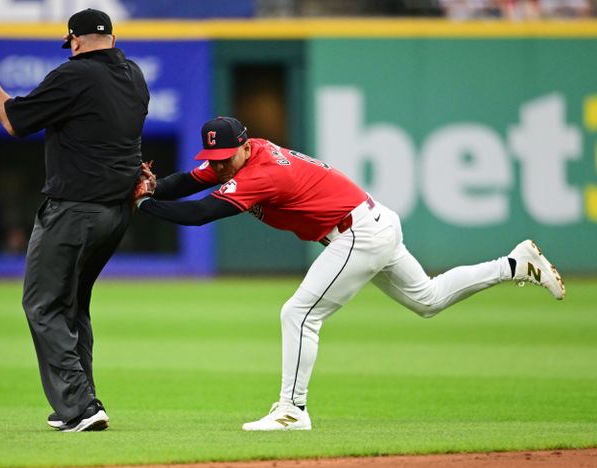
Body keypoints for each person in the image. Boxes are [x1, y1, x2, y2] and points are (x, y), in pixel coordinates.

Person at [133, 116, 565, 432]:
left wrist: (144, 205)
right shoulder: (244, 155)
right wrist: (156, 186)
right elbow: (191, 181)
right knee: (429, 300)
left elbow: (202, 213)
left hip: (357, 233)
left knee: (298, 314)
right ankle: (514, 264)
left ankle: (292, 410)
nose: (220, 165)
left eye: (226, 157)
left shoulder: (260, 172)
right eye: (215, 157)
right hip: (373, 223)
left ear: (245, 147)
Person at [0, 8, 149, 432]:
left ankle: (82, 406)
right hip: (116, 214)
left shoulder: (74, 75)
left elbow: (14, 121)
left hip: (74, 210)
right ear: (112, 39)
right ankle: (76, 400)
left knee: (42, 303)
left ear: (75, 41)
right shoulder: (134, 75)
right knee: (72, 303)